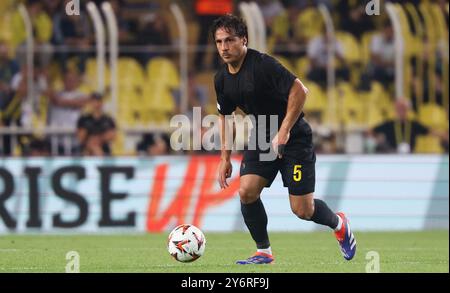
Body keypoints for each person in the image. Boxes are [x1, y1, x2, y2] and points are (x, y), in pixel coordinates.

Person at [212, 14, 356, 265]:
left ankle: (339, 223)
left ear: (244, 40)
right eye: (219, 42)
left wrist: (285, 130)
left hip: (294, 137)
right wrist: (224, 157)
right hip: (262, 135)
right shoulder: (222, 79)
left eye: (230, 40)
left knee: (302, 210)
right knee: (246, 191)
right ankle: (263, 252)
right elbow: (226, 117)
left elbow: (300, 90)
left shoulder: (263, 65)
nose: (224, 47)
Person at [368, 99, 448, 154]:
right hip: (392, 154)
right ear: (395, 110)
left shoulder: (413, 124)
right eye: (399, 109)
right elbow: (370, 131)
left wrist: (444, 135)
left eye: (403, 108)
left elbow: (430, 131)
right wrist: (378, 140)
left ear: (407, 110)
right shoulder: (389, 124)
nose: (401, 111)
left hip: (410, 154)